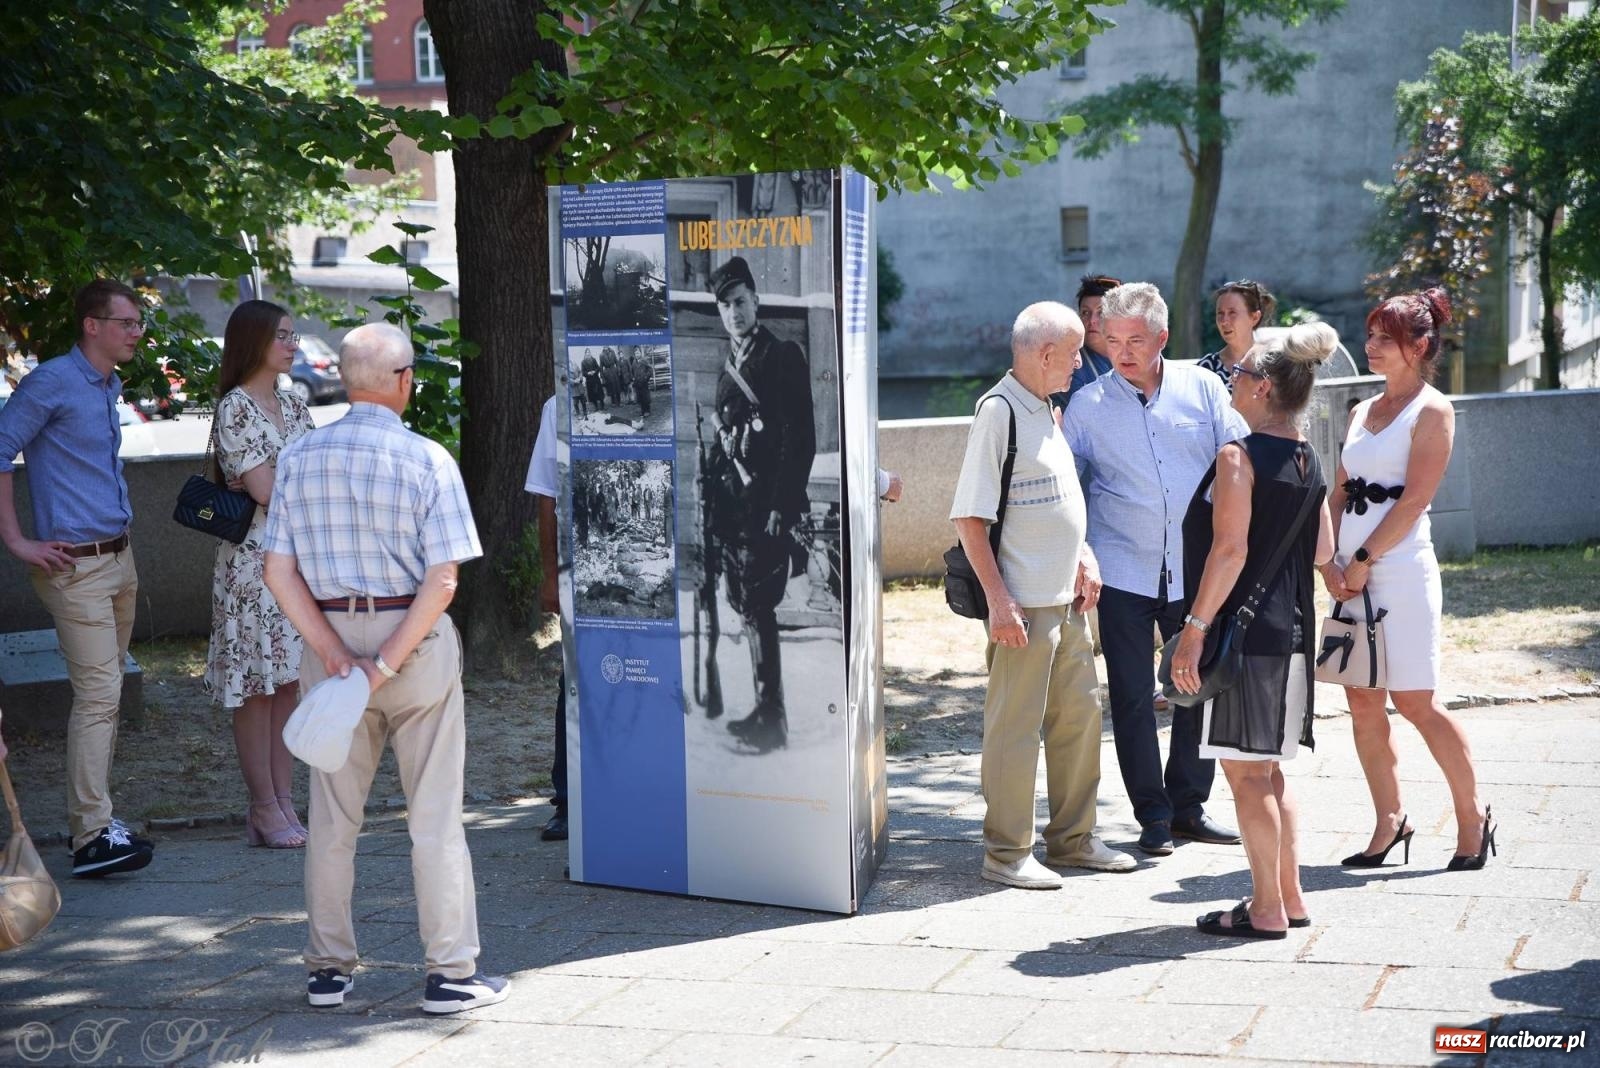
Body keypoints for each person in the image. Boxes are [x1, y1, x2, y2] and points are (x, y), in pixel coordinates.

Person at [263, 322, 510, 1014]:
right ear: (403, 381)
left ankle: (328, 970)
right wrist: (383, 665)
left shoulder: (300, 457)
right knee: (434, 818)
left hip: (330, 639)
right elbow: (442, 582)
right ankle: (450, 973)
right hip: (414, 641)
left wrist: (339, 656)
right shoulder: (428, 459)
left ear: (344, 379)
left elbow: (277, 571)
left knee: (333, 819)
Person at [951, 301, 1135, 890]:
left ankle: (1074, 840)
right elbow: (969, 519)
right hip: (1024, 608)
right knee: (1015, 728)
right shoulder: (999, 413)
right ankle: (1006, 853)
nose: (1082, 361)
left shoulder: (1046, 410)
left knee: (1077, 722)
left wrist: (1084, 556)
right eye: (1076, 351)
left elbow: (1060, 500)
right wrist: (1000, 602)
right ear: (1045, 353)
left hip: (1068, 601)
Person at [1062, 282, 1249, 857]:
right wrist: (1079, 552)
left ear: (1162, 338)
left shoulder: (1204, 388)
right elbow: (1067, 488)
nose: (1122, 351)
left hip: (1195, 568)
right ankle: (1153, 815)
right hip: (1121, 569)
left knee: (1198, 685)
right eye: (1112, 339)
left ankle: (1190, 806)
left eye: (1135, 340)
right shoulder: (1086, 407)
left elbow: (1237, 459)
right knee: (1133, 697)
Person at [1170, 324, 1337, 937]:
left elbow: (1229, 551)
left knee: (1245, 775)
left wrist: (1193, 629)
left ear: (1264, 387)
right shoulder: (1309, 456)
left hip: (1242, 640)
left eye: (1239, 374)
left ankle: (1265, 908)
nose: (1230, 381)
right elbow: (1324, 547)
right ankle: (1288, 898)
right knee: (1268, 770)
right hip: (1290, 632)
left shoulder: (1238, 456)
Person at [1324, 288, 1493, 872]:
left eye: (1383, 338)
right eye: (1369, 335)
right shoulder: (1358, 411)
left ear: (1419, 346)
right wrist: (1328, 561)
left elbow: (1416, 499)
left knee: (1417, 702)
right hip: (1348, 574)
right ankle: (1390, 822)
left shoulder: (1433, 410)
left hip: (1399, 571)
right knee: (1362, 702)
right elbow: (1339, 492)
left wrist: (1363, 559)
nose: (1370, 346)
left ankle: (1473, 818)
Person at [0, 279, 155, 878]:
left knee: (107, 696)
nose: (136, 332)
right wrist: (17, 541)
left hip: (119, 559)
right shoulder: (52, 383)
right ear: (92, 325)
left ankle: (95, 823)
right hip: (76, 569)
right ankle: (91, 836)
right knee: (98, 698)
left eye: (138, 322)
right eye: (126, 322)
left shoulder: (106, 383)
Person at [203, 300, 316, 850]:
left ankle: (284, 801)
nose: (294, 344)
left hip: (295, 564)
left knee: (289, 682)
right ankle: (262, 807)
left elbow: (303, 481)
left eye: (294, 335)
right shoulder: (236, 408)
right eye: (283, 336)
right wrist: (298, 484)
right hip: (252, 566)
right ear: (254, 342)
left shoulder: (295, 406)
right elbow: (267, 491)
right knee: (256, 687)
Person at [702, 255, 816, 752]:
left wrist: (783, 505)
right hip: (733, 509)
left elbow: (800, 438)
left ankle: (774, 719)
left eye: (741, 302)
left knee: (759, 607)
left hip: (765, 506)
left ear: (756, 302)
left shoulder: (781, 355)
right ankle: (766, 710)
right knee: (746, 606)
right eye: (725, 305)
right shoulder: (729, 363)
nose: (734, 312)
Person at [524, 394, 567, 841]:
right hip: (583, 571)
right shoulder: (557, 405)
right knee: (573, 684)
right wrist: (550, 576)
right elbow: (547, 495)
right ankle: (569, 800)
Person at [1049, 274, 1120, 417]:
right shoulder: (1071, 367)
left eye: (1101, 312)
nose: (1092, 320)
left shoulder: (1135, 356)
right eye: (1085, 313)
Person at [1198, 280, 1277, 389]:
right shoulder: (1206, 368)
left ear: (1254, 317)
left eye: (1232, 313)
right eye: (1220, 313)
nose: (1224, 321)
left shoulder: (1274, 365)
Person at [580, 349, 604, 414]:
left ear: (590, 353)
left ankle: (602, 405)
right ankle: (596, 406)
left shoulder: (593, 359)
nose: (588, 354)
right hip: (589, 380)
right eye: (587, 352)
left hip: (596, 379)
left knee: (599, 393)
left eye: (589, 352)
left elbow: (598, 368)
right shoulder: (583, 362)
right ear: (585, 354)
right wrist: (588, 373)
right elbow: (583, 372)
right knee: (592, 394)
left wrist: (594, 371)